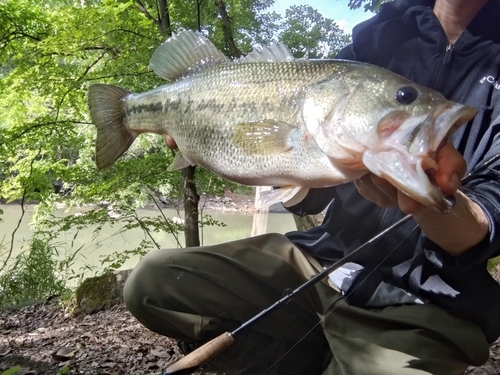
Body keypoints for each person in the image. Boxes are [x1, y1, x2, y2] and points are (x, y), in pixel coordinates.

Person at [123, 0, 500, 374]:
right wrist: (275, 169)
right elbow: (311, 190)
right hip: (323, 259)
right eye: (404, 97)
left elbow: (490, 220)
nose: (419, 108)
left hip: (424, 302)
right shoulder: (377, 38)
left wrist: (431, 201)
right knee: (153, 283)